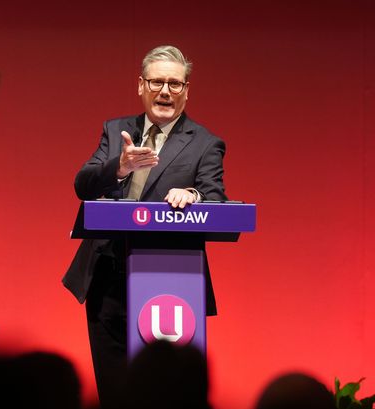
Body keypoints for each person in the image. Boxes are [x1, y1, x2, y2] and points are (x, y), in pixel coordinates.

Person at [63, 45, 227, 408]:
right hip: (107, 276)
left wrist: (193, 195)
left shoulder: (205, 143)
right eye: (156, 82)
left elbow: (215, 198)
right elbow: (83, 185)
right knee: (115, 392)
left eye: (174, 84)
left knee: (165, 395)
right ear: (141, 85)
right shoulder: (116, 129)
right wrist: (119, 167)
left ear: (186, 90)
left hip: (171, 284)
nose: (165, 92)